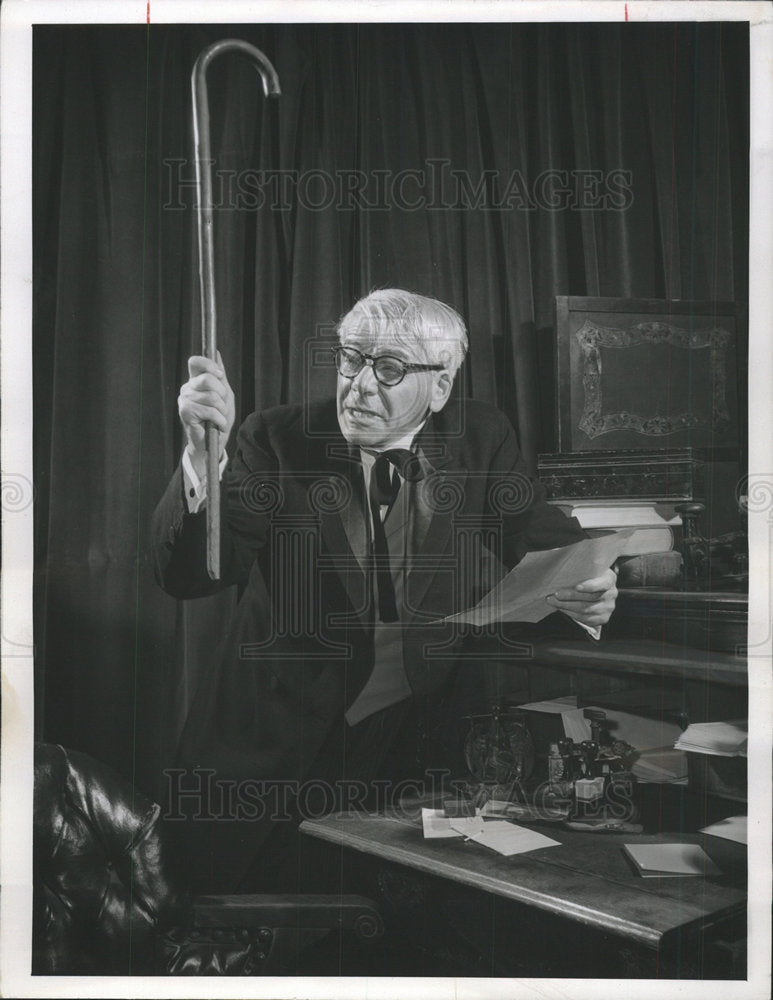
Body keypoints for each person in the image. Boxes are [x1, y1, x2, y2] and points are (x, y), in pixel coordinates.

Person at [152, 289, 617, 892]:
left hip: (409, 745)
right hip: (273, 741)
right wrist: (200, 454)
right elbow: (191, 574)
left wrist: (592, 585)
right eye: (351, 359)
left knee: (382, 931)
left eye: (390, 367)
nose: (360, 386)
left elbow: (546, 542)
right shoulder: (275, 439)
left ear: (441, 385)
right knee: (247, 922)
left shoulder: (480, 435)